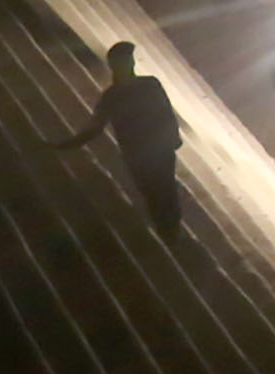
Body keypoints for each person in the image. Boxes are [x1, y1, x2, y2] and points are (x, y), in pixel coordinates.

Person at [55, 40, 184, 232]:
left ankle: (169, 231)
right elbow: (95, 129)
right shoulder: (124, 93)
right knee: (160, 195)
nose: (131, 64)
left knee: (161, 194)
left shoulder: (131, 90)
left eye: (130, 60)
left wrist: (171, 139)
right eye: (127, 60)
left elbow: (165, 113)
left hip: (150, 152)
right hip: (147, 153)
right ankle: (168, 232)